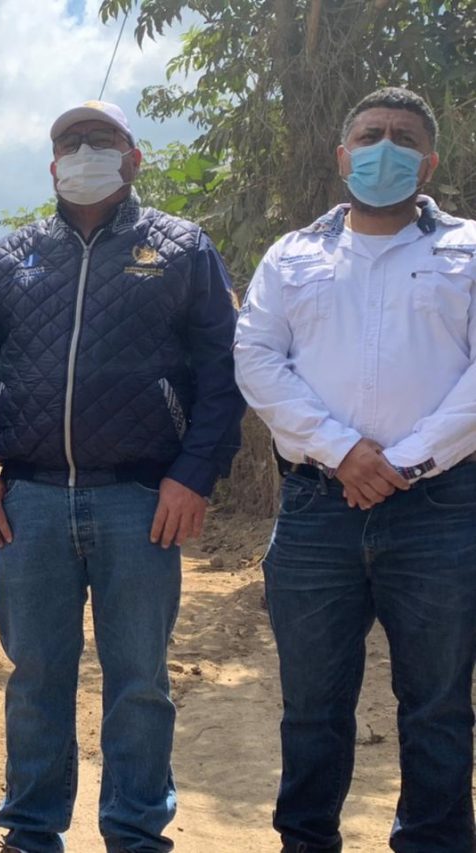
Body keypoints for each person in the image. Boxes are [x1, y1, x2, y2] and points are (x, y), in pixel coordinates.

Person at [0, 101, 246, 853]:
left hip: (141, 500)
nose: (85, 151)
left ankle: (135, 831)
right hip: (31, 500)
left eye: (101, 139)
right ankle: (31, 830)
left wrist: (194, 476)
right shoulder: (13, 256)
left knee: (140, 681)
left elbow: (223, 373)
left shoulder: (183, 248)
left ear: (133, 157)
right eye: (70, 142)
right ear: (52, 166)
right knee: (36, 676)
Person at [234, 86, 476, 853]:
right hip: (317, 510)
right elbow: (256, 357)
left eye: (403, 137)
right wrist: (341, 451)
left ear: (428, 163)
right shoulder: (292, 255)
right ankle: (307, 840)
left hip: (441, 510)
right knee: (312, 706)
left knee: (437, 705)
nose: (384, 148)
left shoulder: (469, 249)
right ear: (342, 156)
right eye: (370, 135)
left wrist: (401, 461)